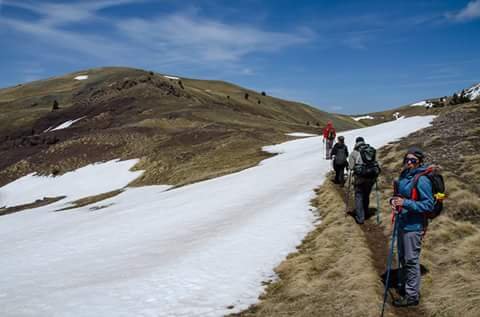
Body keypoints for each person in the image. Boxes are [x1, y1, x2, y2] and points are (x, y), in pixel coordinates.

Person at [390, 147, 434, 307]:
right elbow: (401, 196)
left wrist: (405, 203)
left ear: (419, 162)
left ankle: (412, 296)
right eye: (407, 160)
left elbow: (428, 204)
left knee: (411, 260)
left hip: (414, 226)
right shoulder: (404, 176)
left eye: (413, 160)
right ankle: (404, 286)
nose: (409, 163)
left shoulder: (421, 180)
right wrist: (394, 201)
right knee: (402, 258)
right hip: (402, 222)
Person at [348, 137, 379, 224]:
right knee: (366, 195)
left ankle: (360, 218)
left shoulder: (354, 153)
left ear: (356, 143)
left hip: (360, 179)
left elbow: (350, 167)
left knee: (359, 196)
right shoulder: (370, 150)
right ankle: (366, 213)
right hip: (371, 178)